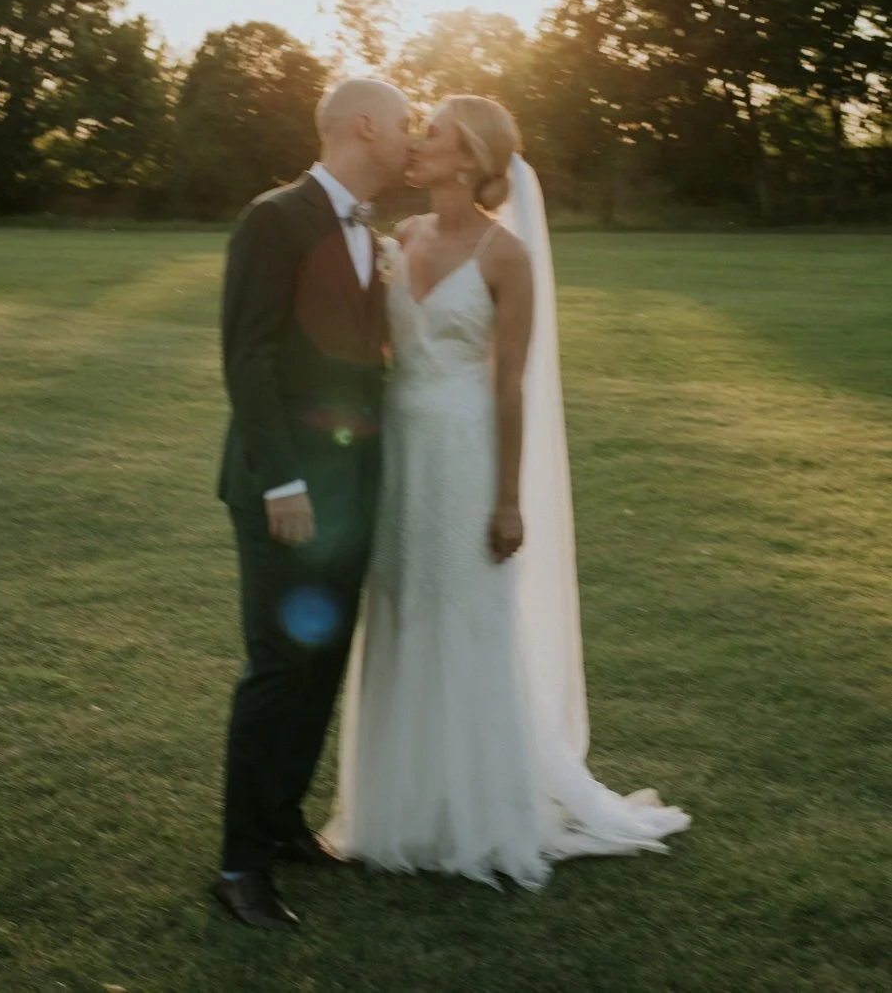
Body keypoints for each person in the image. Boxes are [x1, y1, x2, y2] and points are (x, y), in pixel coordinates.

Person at [326, 95, 690, 887]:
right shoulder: (402, 238)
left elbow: (510, 385)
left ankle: (476, 814)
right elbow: (382, 346)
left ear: (468, 158)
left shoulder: (506, 256)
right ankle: (400, 812)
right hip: (400, 451)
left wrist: (508, 499)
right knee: (400, 610)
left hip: (465, 453)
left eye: (432, 135)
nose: (415, 144)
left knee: (465, 617)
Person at [212, 78, 412, 932]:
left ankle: (282, 821)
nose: (411, 139)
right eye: (404, 125)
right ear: (364, 126)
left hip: (352, 489)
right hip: (286, 491)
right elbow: (248, 356)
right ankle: (238, 867)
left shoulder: (373, 232)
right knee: (277, 666)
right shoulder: (274, 219)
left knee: (321, 662)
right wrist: (282, 482)